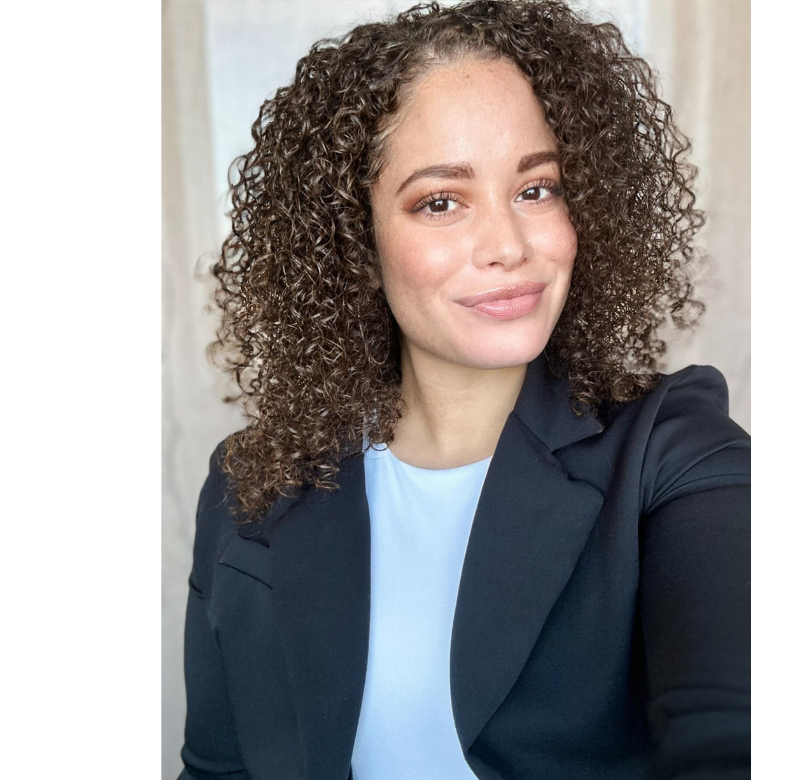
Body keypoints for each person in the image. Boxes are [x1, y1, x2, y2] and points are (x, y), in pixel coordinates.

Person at [181, 1, 750, 778]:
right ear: (356, 238)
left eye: (537, 189)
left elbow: (734, 734)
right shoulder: (252, 483)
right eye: (440, 201)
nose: (508, 246)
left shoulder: (673, 451)